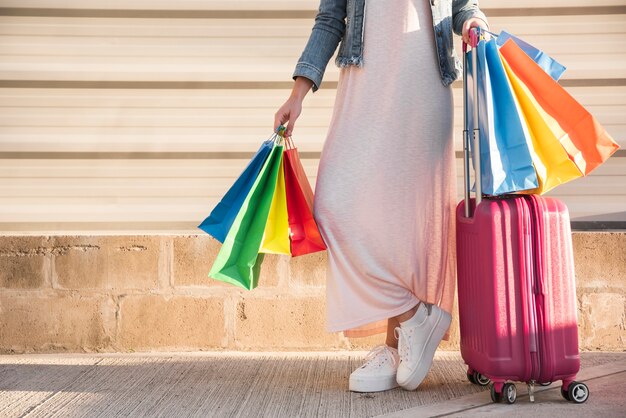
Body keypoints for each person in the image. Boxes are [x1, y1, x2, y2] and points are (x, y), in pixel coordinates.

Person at [274, 0, 488, 393]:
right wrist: (298, 93)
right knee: (333, 206)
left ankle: (394, 347)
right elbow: (329, 20)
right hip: (365, 86)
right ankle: (415, 318)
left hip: (422, 86)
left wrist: (474, 21)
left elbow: (462, 7)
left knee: (403, 226)